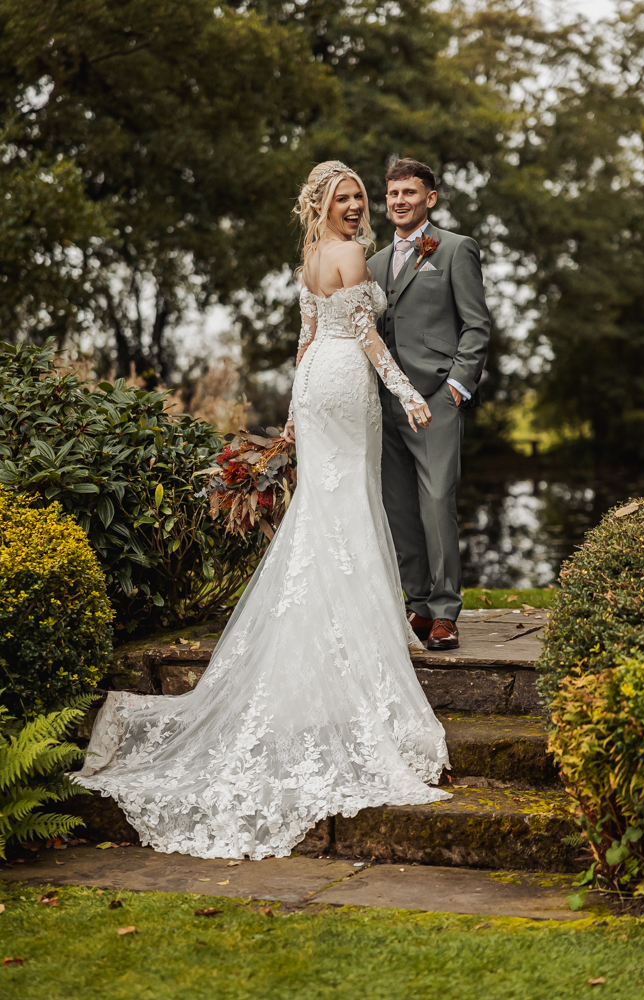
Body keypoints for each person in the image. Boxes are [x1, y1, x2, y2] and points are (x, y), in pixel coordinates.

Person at [74, 161, 451, 860]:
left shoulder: (309, 256)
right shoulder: (345, 254)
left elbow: (304, 341)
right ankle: (358, 630)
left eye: (358, 198)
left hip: (315, 386)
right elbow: (365, 338)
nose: (354, 208)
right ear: (323, 204)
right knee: (347, 503)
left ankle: (339, 618)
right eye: (345, 199)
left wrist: (289, 419)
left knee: (325, 507)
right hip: (345, 383)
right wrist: (406, 393)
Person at [368, 160, 491, 651]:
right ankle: (417, 605)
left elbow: (476, 326)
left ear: (430, 198)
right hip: (384, 404)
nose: (399, 200)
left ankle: (445, 613)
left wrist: (456, 389)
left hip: (436, 399)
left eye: (410, 192)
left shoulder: (456, 249)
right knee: (398, 507)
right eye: (393, 192)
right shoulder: (372, 264)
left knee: (437, 502)